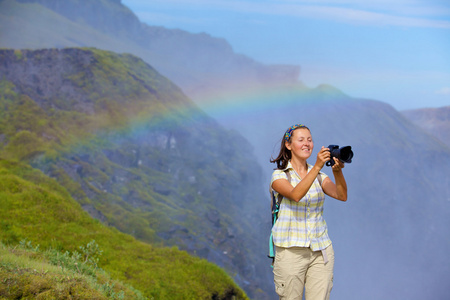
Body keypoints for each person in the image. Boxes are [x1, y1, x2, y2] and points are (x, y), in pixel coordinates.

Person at [270, 123, 348, 300]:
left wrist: (337, 173)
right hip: (290, 251)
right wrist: (317, 167)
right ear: (289, 145)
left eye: (310, 140)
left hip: (321, 250)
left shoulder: (319, 176)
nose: (307, 144)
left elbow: (341, 195)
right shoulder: (280, 175)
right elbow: (296, 194)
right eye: (301, 140)